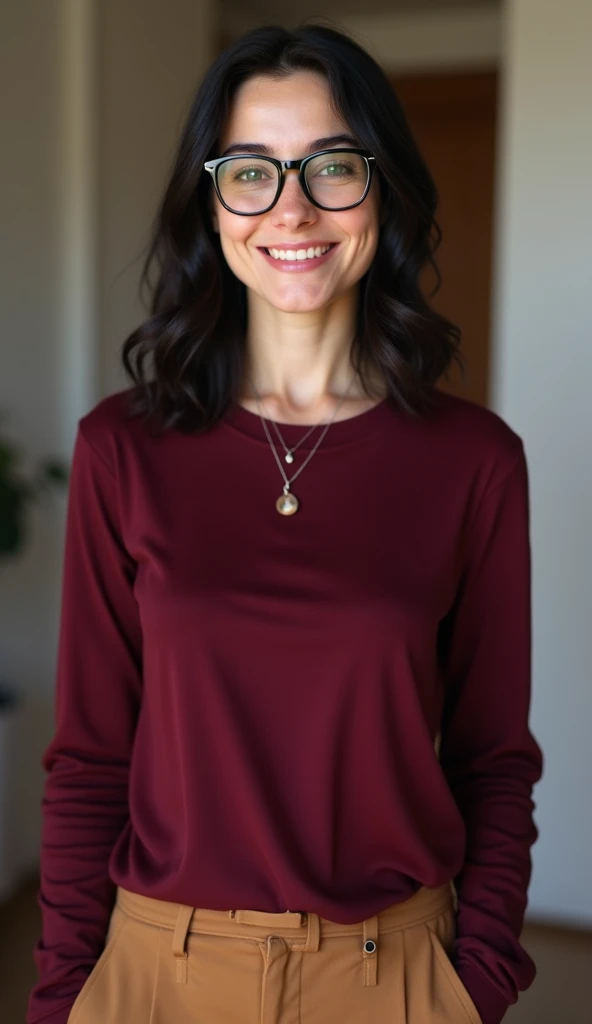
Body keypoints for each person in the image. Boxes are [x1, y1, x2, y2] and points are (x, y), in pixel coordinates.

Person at [27, 21, 544, 1024]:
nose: (292, 207)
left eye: (330, 167)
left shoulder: (473, 461)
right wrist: (61, 998)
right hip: (153, 972)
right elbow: (91, 757)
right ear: (209, 201)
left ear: (380, 185)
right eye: (250, 171)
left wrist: (471, 981)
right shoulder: (122, 449)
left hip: (392, 976)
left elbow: (491, 759)